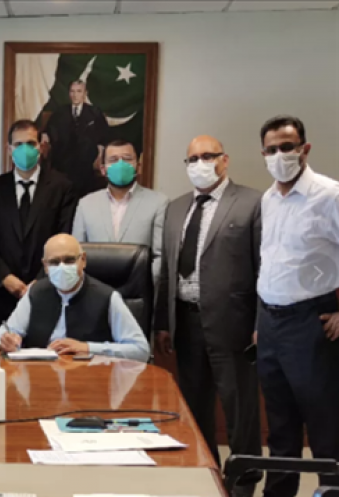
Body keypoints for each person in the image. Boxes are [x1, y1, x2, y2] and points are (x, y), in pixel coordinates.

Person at [154, 135, 262, 497]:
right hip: (186, 323)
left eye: (208, 156)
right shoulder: (175, 208)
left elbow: (264, 267)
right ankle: (206, 480)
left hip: (234, 325)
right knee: (195, 410)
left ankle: (243, 486)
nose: (200, 164)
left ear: (224, 160)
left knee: (240, 412)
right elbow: (167, 271)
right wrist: (163, 323)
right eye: (193, 159)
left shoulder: (251, 203)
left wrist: (260, 324)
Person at [255, 116, 339, 497]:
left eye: (287, 147)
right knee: (280, 425)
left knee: (325, 424)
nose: (279, 155)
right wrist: (260, 322)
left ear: (305, 149)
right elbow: (271, 261)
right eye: (271, 149)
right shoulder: (268, 199)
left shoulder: (329, 195)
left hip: (312, 322)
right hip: (270, 323)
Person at [0, 120, 77, 339]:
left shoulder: (62, 187)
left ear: (41, 147)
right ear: (9, 149)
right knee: (3, 353)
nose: (25, 150)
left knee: (46, 354)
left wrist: (40, 281)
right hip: (2, 293)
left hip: (48, 289)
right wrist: (5, 278)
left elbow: (64, 236)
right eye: (18, 144)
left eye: (31, 143)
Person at [0, 234, 149, 362]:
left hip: (92, 381)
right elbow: (1, 336)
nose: (62, 267)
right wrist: (8, 341)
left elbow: (141, 350)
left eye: (69, 260)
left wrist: (87, 348)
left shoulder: (108, 297)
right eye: (54, 262)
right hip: (41, 379)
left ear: (83, 260)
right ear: (45, 266)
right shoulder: (35, 293)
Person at [72, 139, 168, 282]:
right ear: (103, 169)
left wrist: (144, 287)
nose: (121, 164)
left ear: (138, 166)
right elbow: (76, 253)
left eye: (127, 159)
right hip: (95, 288)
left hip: (139, 289)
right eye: (113, 160)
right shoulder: (86, 204)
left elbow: (159, 256)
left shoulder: (159, 202)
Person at [43, 79, 110, 198]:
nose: (75, 95)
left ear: (85, 93)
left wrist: (100, 154)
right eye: (72, 91)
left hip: (86, 162)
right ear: (69, 93)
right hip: (63, 160)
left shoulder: (95, 113)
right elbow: (48, 131)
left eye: (79, 91)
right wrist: (45, 137)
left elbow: (103, 137)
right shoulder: (60, 112)